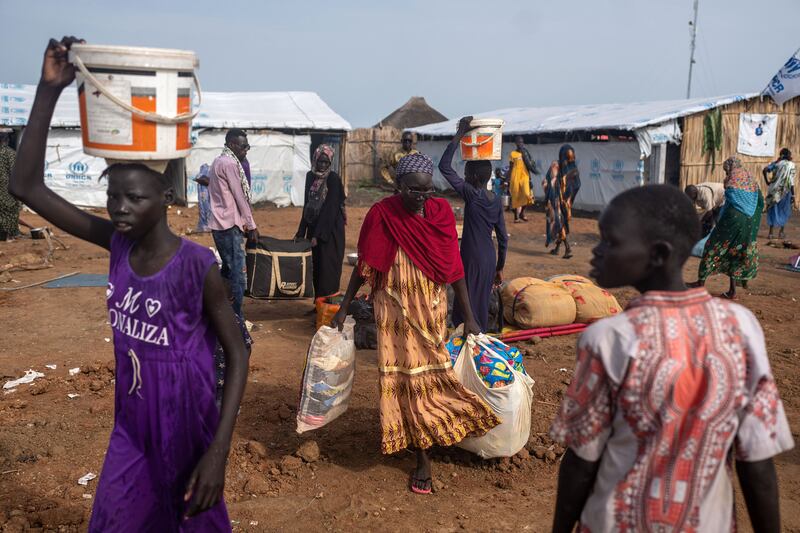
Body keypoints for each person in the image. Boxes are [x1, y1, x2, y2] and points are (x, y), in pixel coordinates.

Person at [9, 37, 250, 531]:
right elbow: (25, 187)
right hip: (134, 424)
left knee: (191, 522)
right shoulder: (115, 244)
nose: (119, 208)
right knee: (115, 520)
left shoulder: (195, 265)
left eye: (134, 198)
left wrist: (218, 453)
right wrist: (48, 89)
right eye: (112, 195)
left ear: (165, 196)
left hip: (187, 425)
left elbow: (238, 351)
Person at [550, 184, 794, 533]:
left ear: (658, 254)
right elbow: (757, 460)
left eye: (610, 242)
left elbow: (582, 461)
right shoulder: (740, 327)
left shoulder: (610, 338)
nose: (597, 252)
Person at [331, 152, 499, 495]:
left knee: (434, 371)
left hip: (430, 309)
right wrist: (344, 306)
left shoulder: (439, 215)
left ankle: (442, 426)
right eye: (413, 191)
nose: (421, 199)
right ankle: (422, 455)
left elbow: (454, 269)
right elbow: (366, 265)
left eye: (427, 192)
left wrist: (469, 316)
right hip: (394, 311)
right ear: (398, 186)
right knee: (404, 376)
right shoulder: (383, 214)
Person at [438, 116, 508, 332]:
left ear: (475, 177)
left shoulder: (471, 194)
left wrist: (461, 133)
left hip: (470, 257)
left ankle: (469, 347)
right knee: (479, 303)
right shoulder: (496, 200)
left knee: (465, 304)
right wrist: (499, 267)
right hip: (488, 258)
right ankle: (478, 343)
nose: (464, 175)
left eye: (467, 173)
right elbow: (503, 238)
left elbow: (444, 167)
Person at [692, 157, 764, 299]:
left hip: (734, 220)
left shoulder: (732, 180)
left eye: (726, 171)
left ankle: (700, 284)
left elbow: (728, 205)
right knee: (736, 253)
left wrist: (719, 223)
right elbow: (760, 202)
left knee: (712, 246)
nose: (726, 174)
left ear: (730, 168)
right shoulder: (751, 179)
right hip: (749, 223)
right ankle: (732, 292)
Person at [208, 128, 259, 318]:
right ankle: (236, 318)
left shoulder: (218, 161)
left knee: (228, 270)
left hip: (219, 225)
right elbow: (239, 195)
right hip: (229, 226)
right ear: (231, 144)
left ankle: (219, 310)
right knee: (239, 276)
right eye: (243, 146)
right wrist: (251, 225)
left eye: (247, 146)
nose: (246, 149)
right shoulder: (229, 163)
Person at [295, 144, 346, 298]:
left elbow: (330, 209)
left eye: (326, 162)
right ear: (315, 160)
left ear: (330, 163)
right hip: (314, 227)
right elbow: (307, 204)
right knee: (316, 267)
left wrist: (318, 235)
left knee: (328, 268)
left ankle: (328, 305)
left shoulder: (333, 179)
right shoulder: (310, 176)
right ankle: (318, 305)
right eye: (320, 162)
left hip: (330, 231)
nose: (323, 165)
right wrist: (301, 231)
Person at [763, 148, 797, 243]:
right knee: (784, 210)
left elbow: (765, 170)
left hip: (773, 191)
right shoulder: (792, 165)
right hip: (785, 191)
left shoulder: (776, 164)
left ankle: (770, 233)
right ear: (789, 155)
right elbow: (791, 181)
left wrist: (767, 182)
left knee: (773, 210)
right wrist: (793, 196)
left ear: (781, 155)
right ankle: (781, 232)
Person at [554, 144, 580, 251]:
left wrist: (563, 198)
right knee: (563, 221)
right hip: (569, 199)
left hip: (563, 198)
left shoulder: (564, 169)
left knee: (561, 221)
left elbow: (563, 185)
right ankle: (558, 247)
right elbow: (577, 185)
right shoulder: (574, 168)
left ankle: (567, 247)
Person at [543, 160, 570, 257]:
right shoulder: (557, 177)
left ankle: (568, 248)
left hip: (555, 205)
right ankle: (558, 249)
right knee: (559, 225)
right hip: (558, 204)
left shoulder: (556, 178)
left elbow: (549, 189)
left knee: (558, 225)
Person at [508, 135, 536, 222]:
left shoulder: (526, 153)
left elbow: (529, 166)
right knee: (515, 196)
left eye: (522, 142)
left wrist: (530, 179)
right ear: (515, 143)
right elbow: (511, 167)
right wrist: (507, 179)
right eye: (519, 142)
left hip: (525, 177)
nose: (521, 144)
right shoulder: (513, 154)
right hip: (515, 177)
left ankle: (522, 213)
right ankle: (516, 217)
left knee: (527, 195)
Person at [0, 128, 21, 241]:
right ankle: (9, 234)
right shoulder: (10, 153)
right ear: (6, 140)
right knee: (10, 210)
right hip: (6, 188)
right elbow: (15, 172)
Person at [193, 163, 212, 233]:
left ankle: (206, 225)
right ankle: (206, 225)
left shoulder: (203, 177)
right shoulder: (203, 177)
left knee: (206, 208)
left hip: (205, 196)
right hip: (204, 196)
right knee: (205, 209)